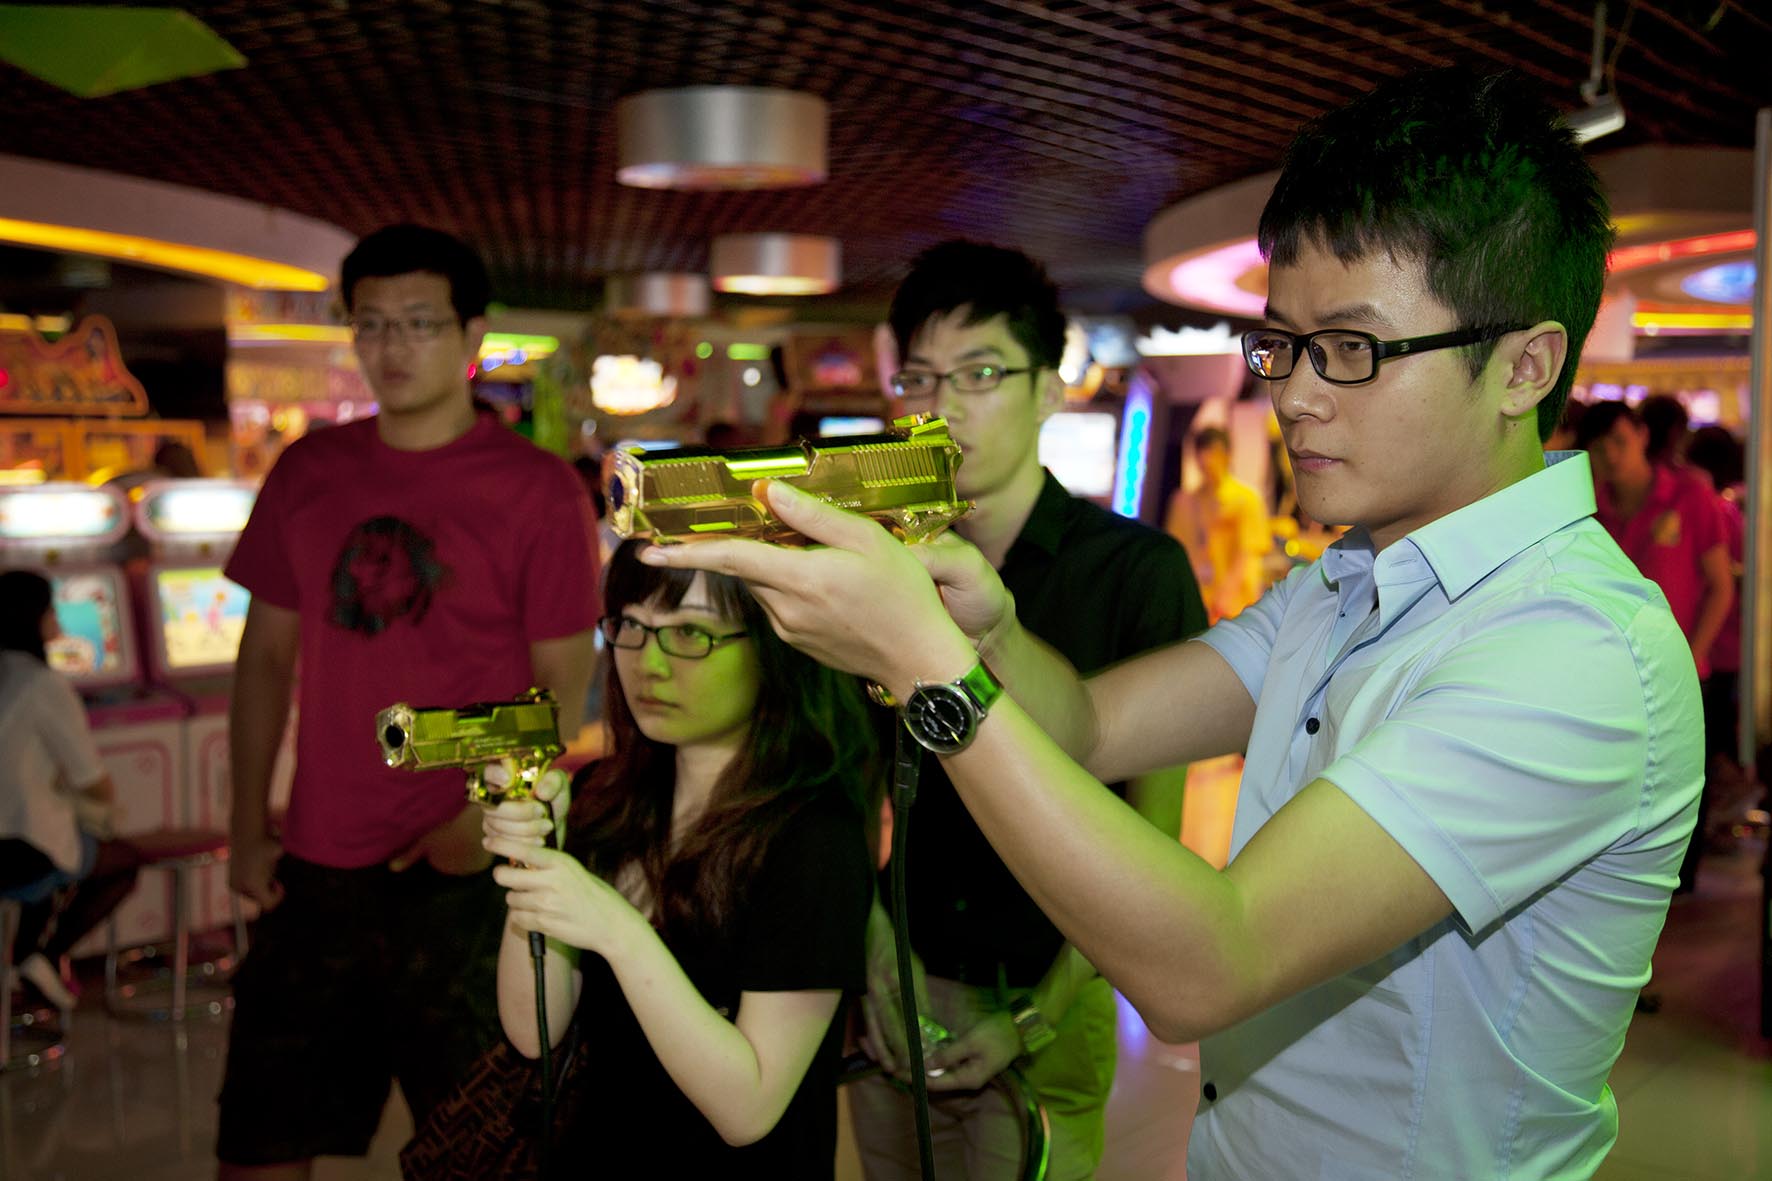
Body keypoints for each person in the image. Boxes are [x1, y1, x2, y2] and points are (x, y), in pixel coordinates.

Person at [644, 68, 1701, 1178]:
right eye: (1280, 344)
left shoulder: (1571, 647)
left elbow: (1210, 958)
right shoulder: (1346, 576)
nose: (1291, 394)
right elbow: (1093, 725)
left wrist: (924, 664)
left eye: (1349, 349)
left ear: (1522, 367)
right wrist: (985, 629)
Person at [216, 224, 601, 1179]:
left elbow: (562, 680)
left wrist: (485, 816)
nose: (391, 347)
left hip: (467, 878)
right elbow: (263, 659)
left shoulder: (538, 489)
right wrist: (244, 822)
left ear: (472, 335)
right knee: (260, 1142)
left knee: (484, 1154)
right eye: (372, 323)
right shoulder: (308, 471)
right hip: (317, 861)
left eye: (419, 323)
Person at [850, 240, 1206, 1179]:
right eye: (921, 376)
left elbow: (1152, 833)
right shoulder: (886, 564)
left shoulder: (1136, 572)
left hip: (1052, 984)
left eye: (981, 373)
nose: (943, 404)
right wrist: (875, 941)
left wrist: (1038, 1017)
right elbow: (859, 772)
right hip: (901, 969)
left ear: (1050, 389)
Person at [476, 540, 877, 1174]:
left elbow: (749, 1108)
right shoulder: (604, 798)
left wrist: (614, 928)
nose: (648, 664)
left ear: (774, 645)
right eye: (631, 626)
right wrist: (534, 866)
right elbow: (534, 1033)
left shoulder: (813, 838)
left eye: (690, 632)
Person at [0, 569, 142, 1012]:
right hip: (22, 848)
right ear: (34, 617)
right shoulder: (43, 685)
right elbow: (93, 782)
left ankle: (27, 953)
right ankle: (42, 954)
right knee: (122, 860)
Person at [1165, 426, 1272, 621]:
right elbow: (1177, 553)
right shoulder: (1184, 502)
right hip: (1199, 604)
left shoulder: (1247, 500)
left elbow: (1247, 555)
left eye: (1214, 452)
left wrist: (1223, 599)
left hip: (1236, 609)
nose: (1207, 460)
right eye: (1201, 452)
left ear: (1228, 454)